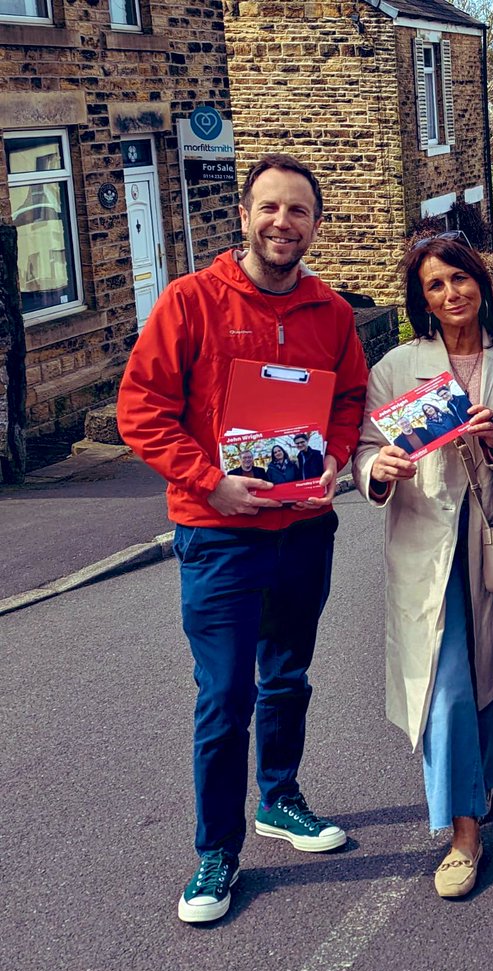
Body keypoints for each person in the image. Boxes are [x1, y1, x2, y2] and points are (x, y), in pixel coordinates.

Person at [117, 153, 369, 925]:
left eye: (298, 211)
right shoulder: (190, 302)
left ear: (316, 226)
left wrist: (333, 459)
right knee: (226, 694)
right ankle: (216, 851)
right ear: (246, 215)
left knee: (288, 675)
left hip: (304, 529)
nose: (282, 223)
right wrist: (208, 480)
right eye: (270, 208)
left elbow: (350, 398)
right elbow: (141, 408)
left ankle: (281, 801)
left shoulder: (332, 314)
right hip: (219, 532)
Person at [353, 234, 493, 899]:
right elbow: (365, 449)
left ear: (481, 283)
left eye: (459, 279)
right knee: (449, 686)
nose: (450, 294)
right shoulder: (399, 367)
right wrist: (377, 467)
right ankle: (463, 832)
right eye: (435, 285)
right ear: (422, 300)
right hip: (427, 541)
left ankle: (481, 785)